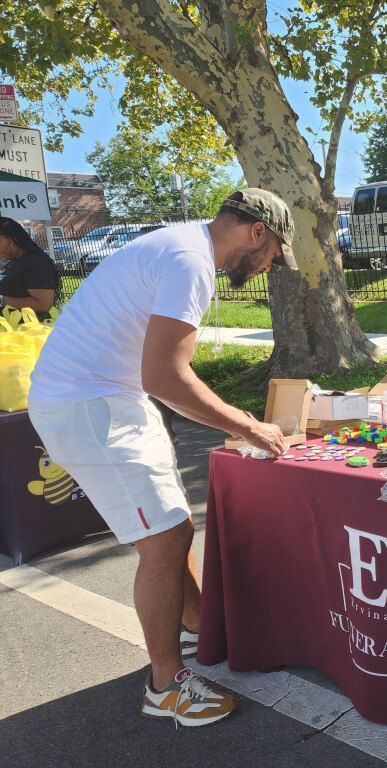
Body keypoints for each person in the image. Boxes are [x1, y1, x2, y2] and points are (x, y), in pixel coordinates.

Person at [27, 189, 297, 727]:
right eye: (273, 256)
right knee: (167, 536)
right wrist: (248, 425)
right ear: (257, 233)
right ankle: (165, 686)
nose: (269, 267)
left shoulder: (182, 245)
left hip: (105, 398)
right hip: (93, 405)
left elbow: (154, 375)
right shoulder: (191, 262)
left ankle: (199, 627)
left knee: (167, 523)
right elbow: (166, 376)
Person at [0, 217, 61, 321]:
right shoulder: (14, 263)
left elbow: (43, 304)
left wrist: (1, 300)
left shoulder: (36, 263)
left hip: (27, 332)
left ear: (13, 238)